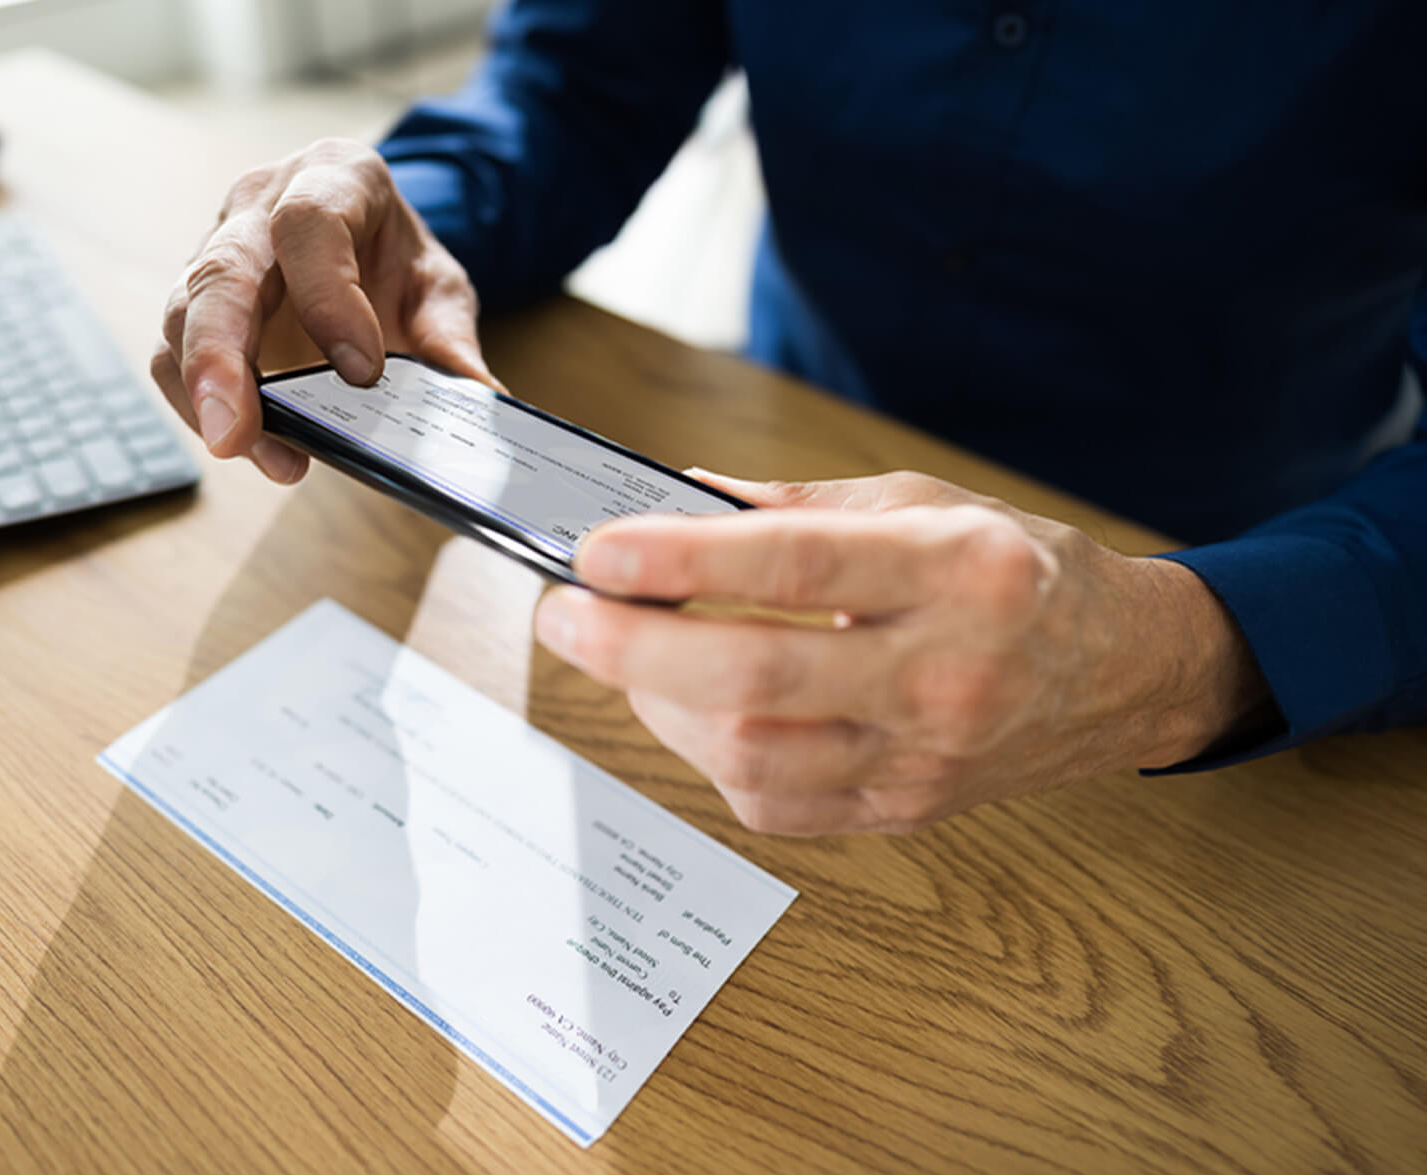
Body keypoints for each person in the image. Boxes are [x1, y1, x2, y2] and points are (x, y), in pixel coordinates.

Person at [152, 2, 1427, 835]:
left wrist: (1183, 658)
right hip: (765, 495)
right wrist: (410, 214)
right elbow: (576, 83)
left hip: (1233, 588)